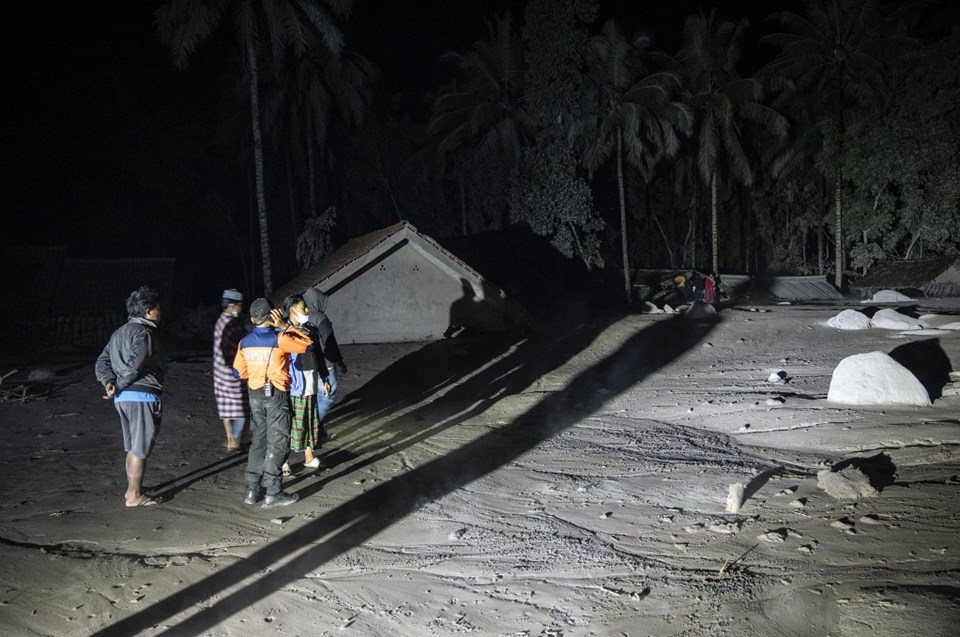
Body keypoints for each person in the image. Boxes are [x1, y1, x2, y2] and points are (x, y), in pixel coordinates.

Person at [233, 298, 313, 508]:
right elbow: (308, 345)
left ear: (252, 319)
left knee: (258, 439)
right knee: (278, 441)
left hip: (255, 394)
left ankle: (252, 489)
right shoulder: (280, 338)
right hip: (276, 394)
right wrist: (285, 326)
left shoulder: (245, 342)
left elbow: (238, 372)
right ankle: (273, 492)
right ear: (272, 316)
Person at [95, 285, 166, 508]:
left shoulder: (119, 332)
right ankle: (134, 495)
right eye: (157, 308)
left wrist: (109, 382)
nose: (159, 312)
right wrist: (118, 384)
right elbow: (135, 366)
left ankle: (132, 490)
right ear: (147, 312)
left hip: (123, 399)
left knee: (132, 447)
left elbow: (101, 362)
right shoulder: (144, 333)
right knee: (140, 447)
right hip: (141, 396)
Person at [281, 294, 332, 473]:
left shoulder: (310, 328)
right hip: (292, 386)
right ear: (293, 309)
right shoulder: (282, 331)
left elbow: (318, 355)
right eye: (304, 307)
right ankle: (284, 461)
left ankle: (309, 458)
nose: (307, 310)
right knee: (292, 424)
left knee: (310, 422)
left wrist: (325, 378)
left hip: (310, 381)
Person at [300, 285, 348, 441]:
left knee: (312, 397)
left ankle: (317, 432)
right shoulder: (320, 318)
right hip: (323, 364)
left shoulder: (297, 316)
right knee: (327, 395)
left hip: (303, 365)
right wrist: (339, 362)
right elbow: (330, 344)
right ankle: (311, 428)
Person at [213, 289, 248, 450]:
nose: (241, 309)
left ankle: (230, 439)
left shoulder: (220, 320)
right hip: (232, 373)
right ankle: (234, 440)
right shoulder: (233, 325)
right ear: (233, 306)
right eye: (240, 306)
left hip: (220, 372)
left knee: (226, 407)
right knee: (240, 409)